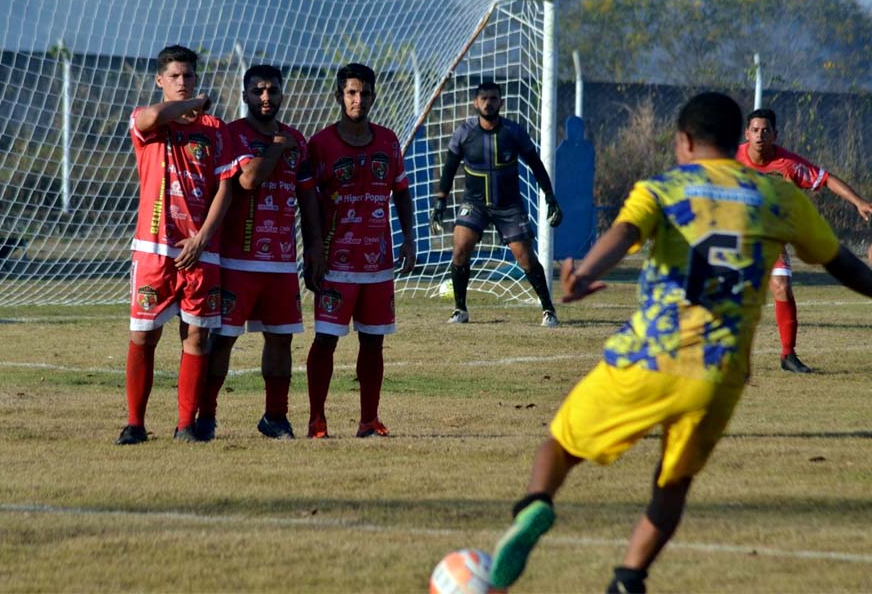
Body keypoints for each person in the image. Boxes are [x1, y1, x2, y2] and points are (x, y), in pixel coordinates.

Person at [487, 92, 872, 593]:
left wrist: (582, 273)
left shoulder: (664, 187)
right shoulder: (779, 195)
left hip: (649, 356)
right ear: (737, 139)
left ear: (685, 142)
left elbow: (623, 234)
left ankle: (536, 506)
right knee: (672, 485)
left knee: (559, 446)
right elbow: (842, 264)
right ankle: (630, 577)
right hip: (719, 375)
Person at [196, 64, 324, 441]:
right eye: (258, 91)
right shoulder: (233, 135)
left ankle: (275, 417)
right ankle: (206, 416)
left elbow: (307, 197)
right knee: (223, 339)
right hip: (236, 260)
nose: (265, 98)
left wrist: (314, 246)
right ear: (246, 95)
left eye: (272, 91)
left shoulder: (296, 139)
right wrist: (275, 148)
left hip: (282, 263)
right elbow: (248, 180)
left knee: (281, 338)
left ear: (282, 94)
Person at [116, 45, 234, 445]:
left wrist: (202, 239)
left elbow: (226, 189)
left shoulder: (216, 130)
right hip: (153, 250)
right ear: (160, 80)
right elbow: (151, 115)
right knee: (144, 336)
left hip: (200, 251)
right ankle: (134, 424)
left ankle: (186, 424)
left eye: (189, 76)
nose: (183, 82)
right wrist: (192, 104)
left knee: (197, 337)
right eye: (176, 76)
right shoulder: (146, 122)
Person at [304, 63, 416, 439]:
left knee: (373, 341)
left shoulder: (388, 140)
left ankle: (369, 419)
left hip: (378, 263)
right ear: (339, 96)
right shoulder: (320, 144)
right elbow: (310, 201)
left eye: (365, 93)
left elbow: (401, 191)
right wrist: (314, 250)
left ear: (373, 96)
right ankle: (316, 419)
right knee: (325, 340)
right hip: (335, 264)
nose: (358, 99)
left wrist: (409, 239)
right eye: (351, 92)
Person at [736, 108, 872, 373]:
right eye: (755, 130)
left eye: (765, 131)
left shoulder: (788, 163)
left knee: (782, 286)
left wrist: (859, 202)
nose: (760, 135)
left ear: (775, 134)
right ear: (747, 134)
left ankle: (788, 355)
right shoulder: (731, 159)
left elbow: (826, 178)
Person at [429, 81, 564, 327]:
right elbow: (448, 169)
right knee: (459, 248)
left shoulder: (513, 132)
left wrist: (550, 197)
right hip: (475, 204)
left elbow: (536, 165)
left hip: (509, 206)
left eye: (493, 98)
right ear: (475, 102)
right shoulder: (464, 132)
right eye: (483, 98)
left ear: (501, 102)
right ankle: (460, 309)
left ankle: (548, 310)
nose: (488, 103)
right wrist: (440, 203)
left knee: (525, 258)